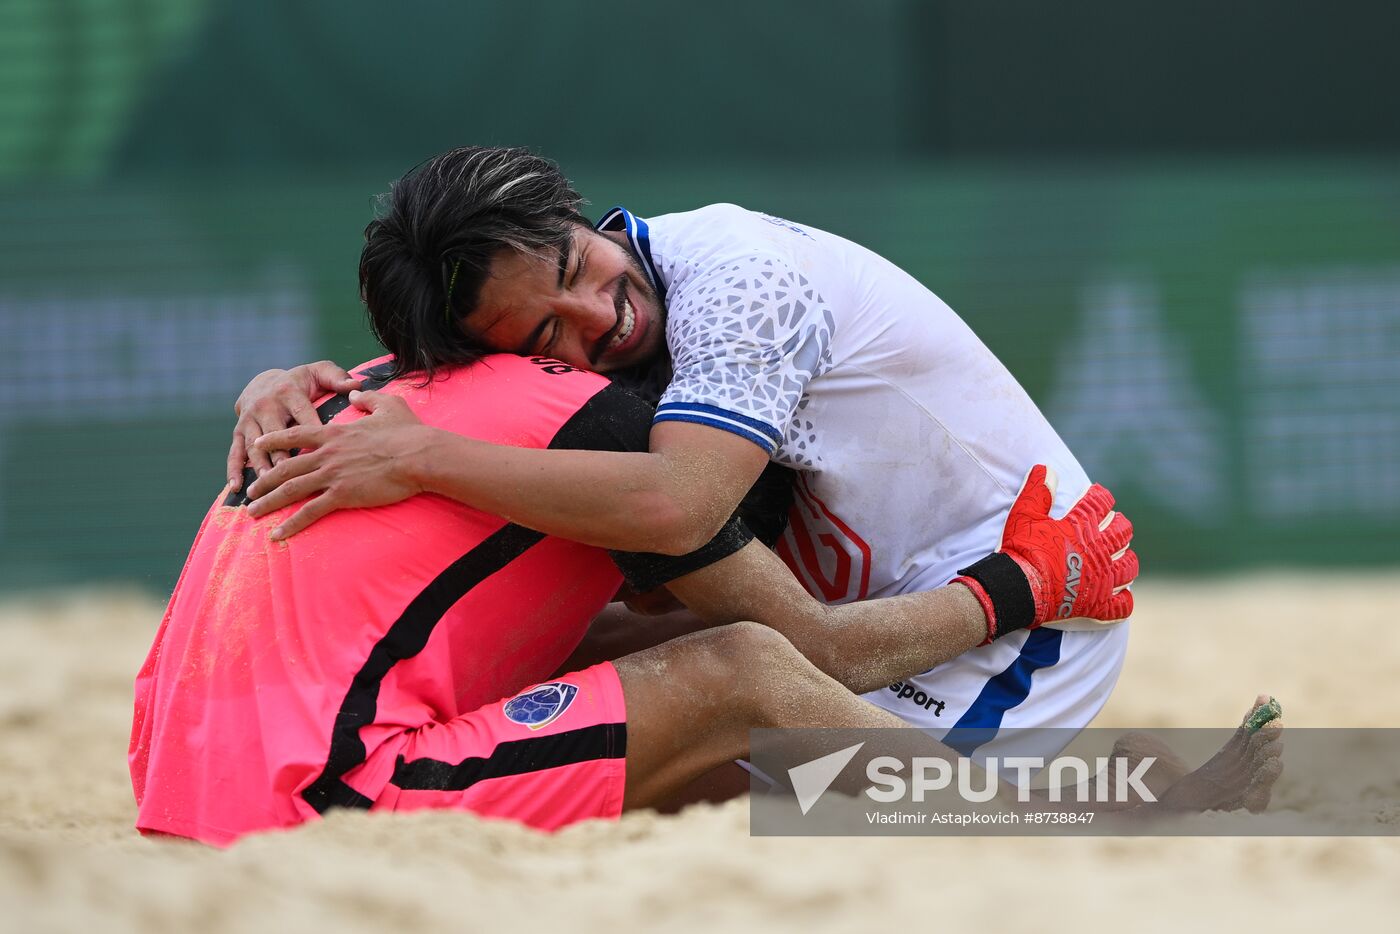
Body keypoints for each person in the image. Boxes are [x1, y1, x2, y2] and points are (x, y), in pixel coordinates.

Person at [138, 345, 1246, 848]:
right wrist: (1020, 583)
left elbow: (612, 642)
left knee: (712, 724)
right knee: (742, 673)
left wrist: (271, 372)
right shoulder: (622, 439)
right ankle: (1053, 823)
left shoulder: (372, 383)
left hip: (183, 772)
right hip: (313, 803)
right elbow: (800, 642)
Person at [232, 147, 1137, 760]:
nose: (600, 315)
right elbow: (449, 392)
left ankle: (1109, 807)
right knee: (553, 661)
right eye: (549, 328)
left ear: (577, 213)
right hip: (842, 607)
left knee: (716, 761)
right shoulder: (599, 353)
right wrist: (289, 384)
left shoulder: (740, 284)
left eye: (570, 267)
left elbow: (682, 507)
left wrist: (421, 457)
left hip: (1016, 612)